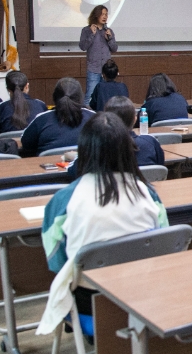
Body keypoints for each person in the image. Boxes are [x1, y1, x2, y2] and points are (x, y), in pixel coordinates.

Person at [35, 112, 167, 337]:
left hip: (90, 302)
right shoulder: (148, 194)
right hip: (145, 295)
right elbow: (164, 242)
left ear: (84, 150)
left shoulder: (64, 201)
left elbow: (55, 261)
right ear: (128, 149)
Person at [20, 77, 94, 157]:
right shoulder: (93, 117)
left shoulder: (41, 119)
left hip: (47, 168)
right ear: (80, 97)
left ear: (54, 96)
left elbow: (25, 143)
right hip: (86, 168)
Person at [0, 71, 48, 139]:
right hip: (36, 149)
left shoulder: (2, 107)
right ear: (27, 86)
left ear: (8, 89)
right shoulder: (40, 104)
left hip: (8, 148)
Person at [78, 5, 118, 106]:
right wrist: (92, 34)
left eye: (106, 14)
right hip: (93, 69)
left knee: (107, 96)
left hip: (107, 70)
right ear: (96, 15)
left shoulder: (109, 31)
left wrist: (109, 38)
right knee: (90, 96)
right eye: (102, 14)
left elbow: (114, 48)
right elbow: (83, 46)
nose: (105, 17)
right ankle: (88, 118)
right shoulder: (86, 30)